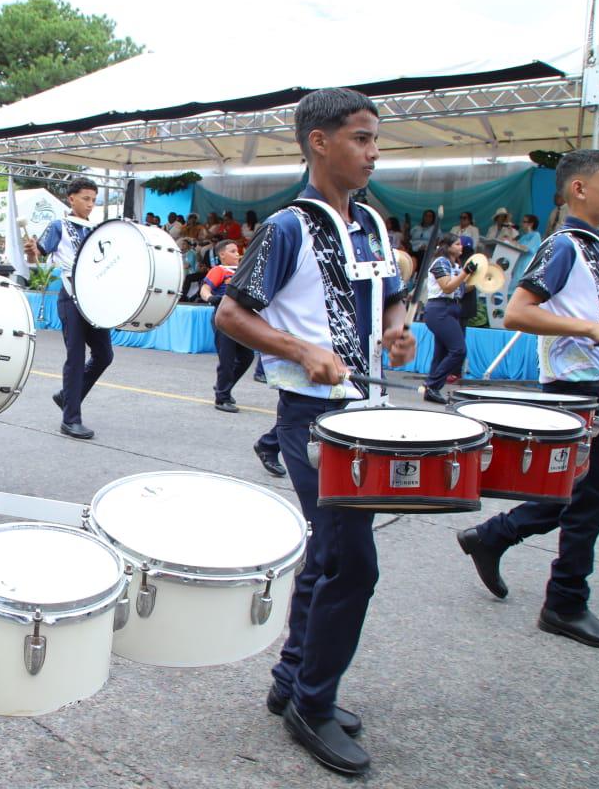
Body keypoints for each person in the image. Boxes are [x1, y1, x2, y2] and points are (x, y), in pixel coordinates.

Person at [216, 87, 415, 776]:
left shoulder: (372, 223)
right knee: (353, 563)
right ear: (319, 142)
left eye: (375, 139)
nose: (373, 151)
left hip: (365, 413)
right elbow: (231, 315)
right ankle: (313, 703)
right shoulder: (286, 229)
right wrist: (301, 350)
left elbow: (389, 292)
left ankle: (291, 683)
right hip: (312, 418)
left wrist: (395, 328)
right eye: (361, 138)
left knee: (332, 557)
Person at [456, 149, 599, 652]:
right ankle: (563, 602)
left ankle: (494, 539)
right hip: (571, 393)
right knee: (586, 499)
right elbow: (519, 314)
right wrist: (591, 328)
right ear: (579, 189)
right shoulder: (565, 245)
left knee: (574, 496)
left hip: (592, 388)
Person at [24, 177, 108, 439]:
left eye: (93, 200)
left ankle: (67, 396)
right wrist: (30, 251)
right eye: (85, 198)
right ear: (71, 198)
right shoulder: (59, 226)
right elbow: (37, 252)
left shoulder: (96, 230)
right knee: (75, 356)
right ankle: (70, 419)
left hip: (94, 298)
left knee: (104, 355)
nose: (90, 204)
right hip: (70, 296)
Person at [421, 233, 475, 403]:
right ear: (448, 246)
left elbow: (461, 289)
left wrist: (479, 277)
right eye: (457, 244)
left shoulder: (455, 265)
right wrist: (466, 272)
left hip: (449, 309)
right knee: (459, 350)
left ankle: (432, 390)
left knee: (441, 352)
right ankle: (431, 385)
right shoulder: (441, 262)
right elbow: (447, 287)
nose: (461, 247)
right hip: (439, 308)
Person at [201, 240, 253, 412]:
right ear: (222, 254)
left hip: (242, 318)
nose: (237, 254)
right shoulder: (219, 270)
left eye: (237, 250)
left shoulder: (244, 270)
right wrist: (210, 298)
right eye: (232, 251)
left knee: (247, 357)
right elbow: (205, 289)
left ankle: (223, 387)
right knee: (227, 359)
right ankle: (221, 399)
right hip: (224, 317)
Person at [511, 214, 542, 288]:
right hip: (519, 263)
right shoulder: (524, 236)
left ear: (531, 224)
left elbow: (527, 249)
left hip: (526, 264)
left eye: (524, 222)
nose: (522, 224)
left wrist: (514, 243)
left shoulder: (536, 235)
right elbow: (515, 245)